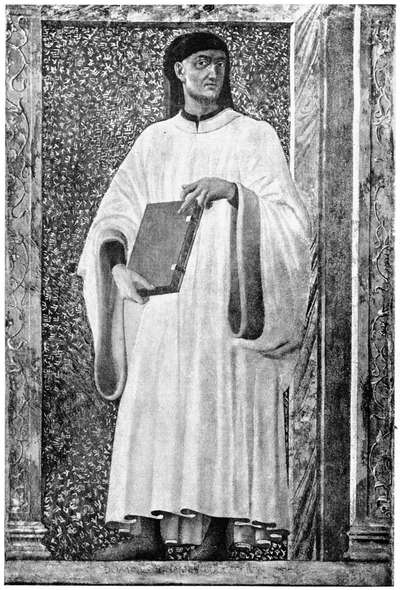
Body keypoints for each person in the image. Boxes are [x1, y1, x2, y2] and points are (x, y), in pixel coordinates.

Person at [78, 31, 311, 561]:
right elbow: (115, 215)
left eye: (221, 64)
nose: (213, 73)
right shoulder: (155, 141)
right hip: (165, 302)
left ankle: (219, 533)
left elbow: (294, 225)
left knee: (220, 403)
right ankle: (144, 532)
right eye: (202, 63)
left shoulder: (255, 136)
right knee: (155, 406)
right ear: (179, 71)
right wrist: (117, 268)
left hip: (227, 302)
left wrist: (234, 192)